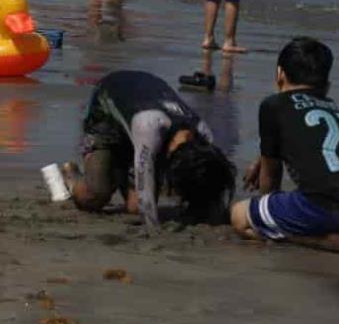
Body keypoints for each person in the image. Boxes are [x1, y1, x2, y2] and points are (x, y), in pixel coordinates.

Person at [230, 37, 339, 255]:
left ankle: (325, 240)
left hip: (331, 207)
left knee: (239, 216)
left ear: (280, 75)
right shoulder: (332, 107)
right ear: (326, 85)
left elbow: (272, 175)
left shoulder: (272, 105)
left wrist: (267, 207)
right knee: (328, 201)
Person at [64, 70, 235, 230]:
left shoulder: (204, 134)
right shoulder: (149, 127)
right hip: (107, 111)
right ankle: (72, 174)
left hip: (141, 109)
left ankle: (118, 170)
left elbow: (213, 179)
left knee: (133, 206)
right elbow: (145, 188)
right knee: (94, 196)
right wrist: (154, 229)